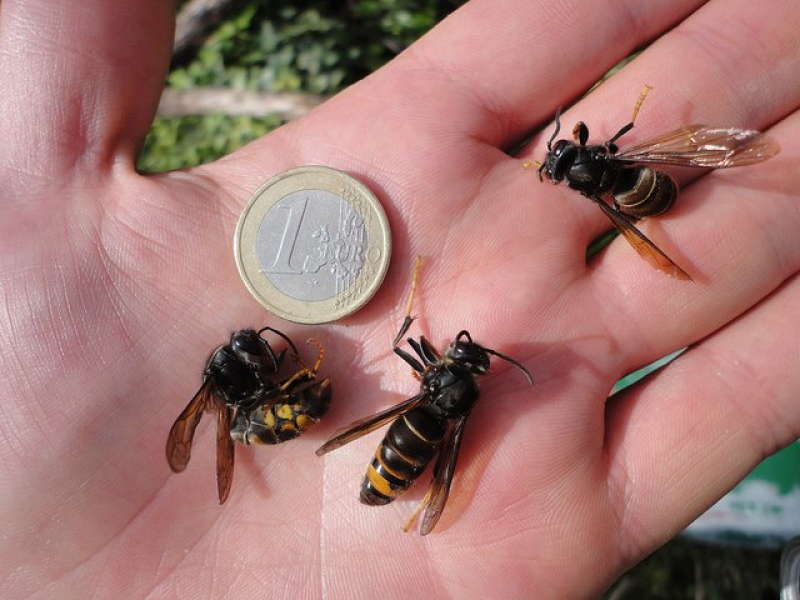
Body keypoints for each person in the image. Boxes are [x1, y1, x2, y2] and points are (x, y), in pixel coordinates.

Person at [1, 0, 798, 597]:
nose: (461, 356)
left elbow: (422, 384)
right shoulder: (441, 394)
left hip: (394, 431)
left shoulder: (440, 392)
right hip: (384, 436)